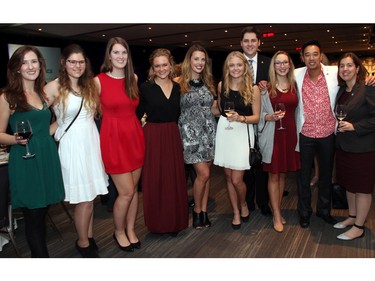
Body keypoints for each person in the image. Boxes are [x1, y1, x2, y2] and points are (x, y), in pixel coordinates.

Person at [44, 44, 109, 257]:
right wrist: (45, 133)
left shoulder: (90, 85)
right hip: (73, 147)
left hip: (90, 142)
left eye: (81, 62)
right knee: (84, 199)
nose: (77, 65)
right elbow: (40, 117)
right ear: (63, 63)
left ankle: (88, 236)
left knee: (90, 197)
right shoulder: (53, 87)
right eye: (72, 61)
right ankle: (82, 242)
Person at [0, 45, 65, 257]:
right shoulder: (7, 97)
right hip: (25, 159)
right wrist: (16, 139)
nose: (30, 66)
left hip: (46, 155)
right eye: (25, 62)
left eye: (34, 61)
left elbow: (45, 129)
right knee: (33, 215)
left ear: (40, 65)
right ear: (17, 68)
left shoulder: (42, 93)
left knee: (43, 211)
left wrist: (63, 122)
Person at [94, 37, 145, 252]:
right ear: (109, 55)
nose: (120, 56)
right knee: (125, 192)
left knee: (133, 191)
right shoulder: (98, 81)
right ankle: (118, 231)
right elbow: (92, 112)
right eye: (116, 52)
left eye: (124, 52)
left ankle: (131, 229)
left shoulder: (132, 78)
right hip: (113, 140)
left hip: (134, 137)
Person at [136, 48, 188, 235]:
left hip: (172, 135)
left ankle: (174, 221)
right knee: (155, 180)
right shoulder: (144, 88)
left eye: (164, 64)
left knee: (173, 179)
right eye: (157, 66)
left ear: (171, 65)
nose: (161, 69)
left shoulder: (178, 87)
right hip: (153, 137)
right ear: (152, 68)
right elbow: (135, 115)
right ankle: (158, 224)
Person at [294, 40, 340, 228]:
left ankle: (324, 210)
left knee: (326, 175)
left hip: (328, 132)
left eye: (315, 54)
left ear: (320, 56)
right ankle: (304, 212)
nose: (311, 58)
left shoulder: (335, 73)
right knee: (303, 177)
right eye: (307, 55)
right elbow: (277, 80)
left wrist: (369, 80)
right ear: (302, 57)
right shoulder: (296, 74)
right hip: (305, 132)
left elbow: (354, 77)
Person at [213, 51, 260, 229]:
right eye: (232, 65)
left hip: (242, 132)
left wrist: (242, 118)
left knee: (237, 179)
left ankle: (243, 204)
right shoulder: (221, 85)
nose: (235, 68)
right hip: (225, 131)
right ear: (227, 67)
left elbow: (256, 117)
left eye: (239, 65)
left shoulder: (253, 88)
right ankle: (235, 212)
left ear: (245, 67)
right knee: (227, 176)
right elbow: (220, 110)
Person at [333, 52, 375, 240]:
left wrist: (354, 127)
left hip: (363, 147)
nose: (345, 69)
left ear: (357, 68)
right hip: (344, 146)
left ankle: (359, 226)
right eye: (342, 66)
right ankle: (352, 217)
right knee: (349, 185)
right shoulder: (342, 91)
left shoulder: (368, 88)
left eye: (349, 65)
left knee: (363, 188)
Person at [258, 51, 300, 232]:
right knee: (273, 174)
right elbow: (258, 114)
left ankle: (278, 208)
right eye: (278, 63)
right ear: (273, 66)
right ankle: (276, 214)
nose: (282, 66)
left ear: (290, 65)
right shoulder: (265, 88)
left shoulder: (295, 85)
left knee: (283, 174)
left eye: (285, 62)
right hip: (273, 135)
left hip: (290, 134)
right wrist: (268, 116)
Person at [177, 44, 217, 229]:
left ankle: (203, 211)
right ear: (189, 60)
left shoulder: (209, 82)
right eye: (196, 59)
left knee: (206, 176)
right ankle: (196, 211)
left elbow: (211, 108)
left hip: (209, 133)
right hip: (190, 136)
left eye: (202, 59)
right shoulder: (178, 83)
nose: (200, 63)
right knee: (204, 173)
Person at [239, 26, 272, 216]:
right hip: (243, 121)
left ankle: (263, 201)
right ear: (241, 43)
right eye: (246, 41)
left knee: (262, 163)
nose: (250, 44)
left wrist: (269, 86)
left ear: (259, 43)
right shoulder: (234, 62)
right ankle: (248, 201)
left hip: (264, 121)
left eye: (253, 41)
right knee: (246, 163)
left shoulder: (268, 62)